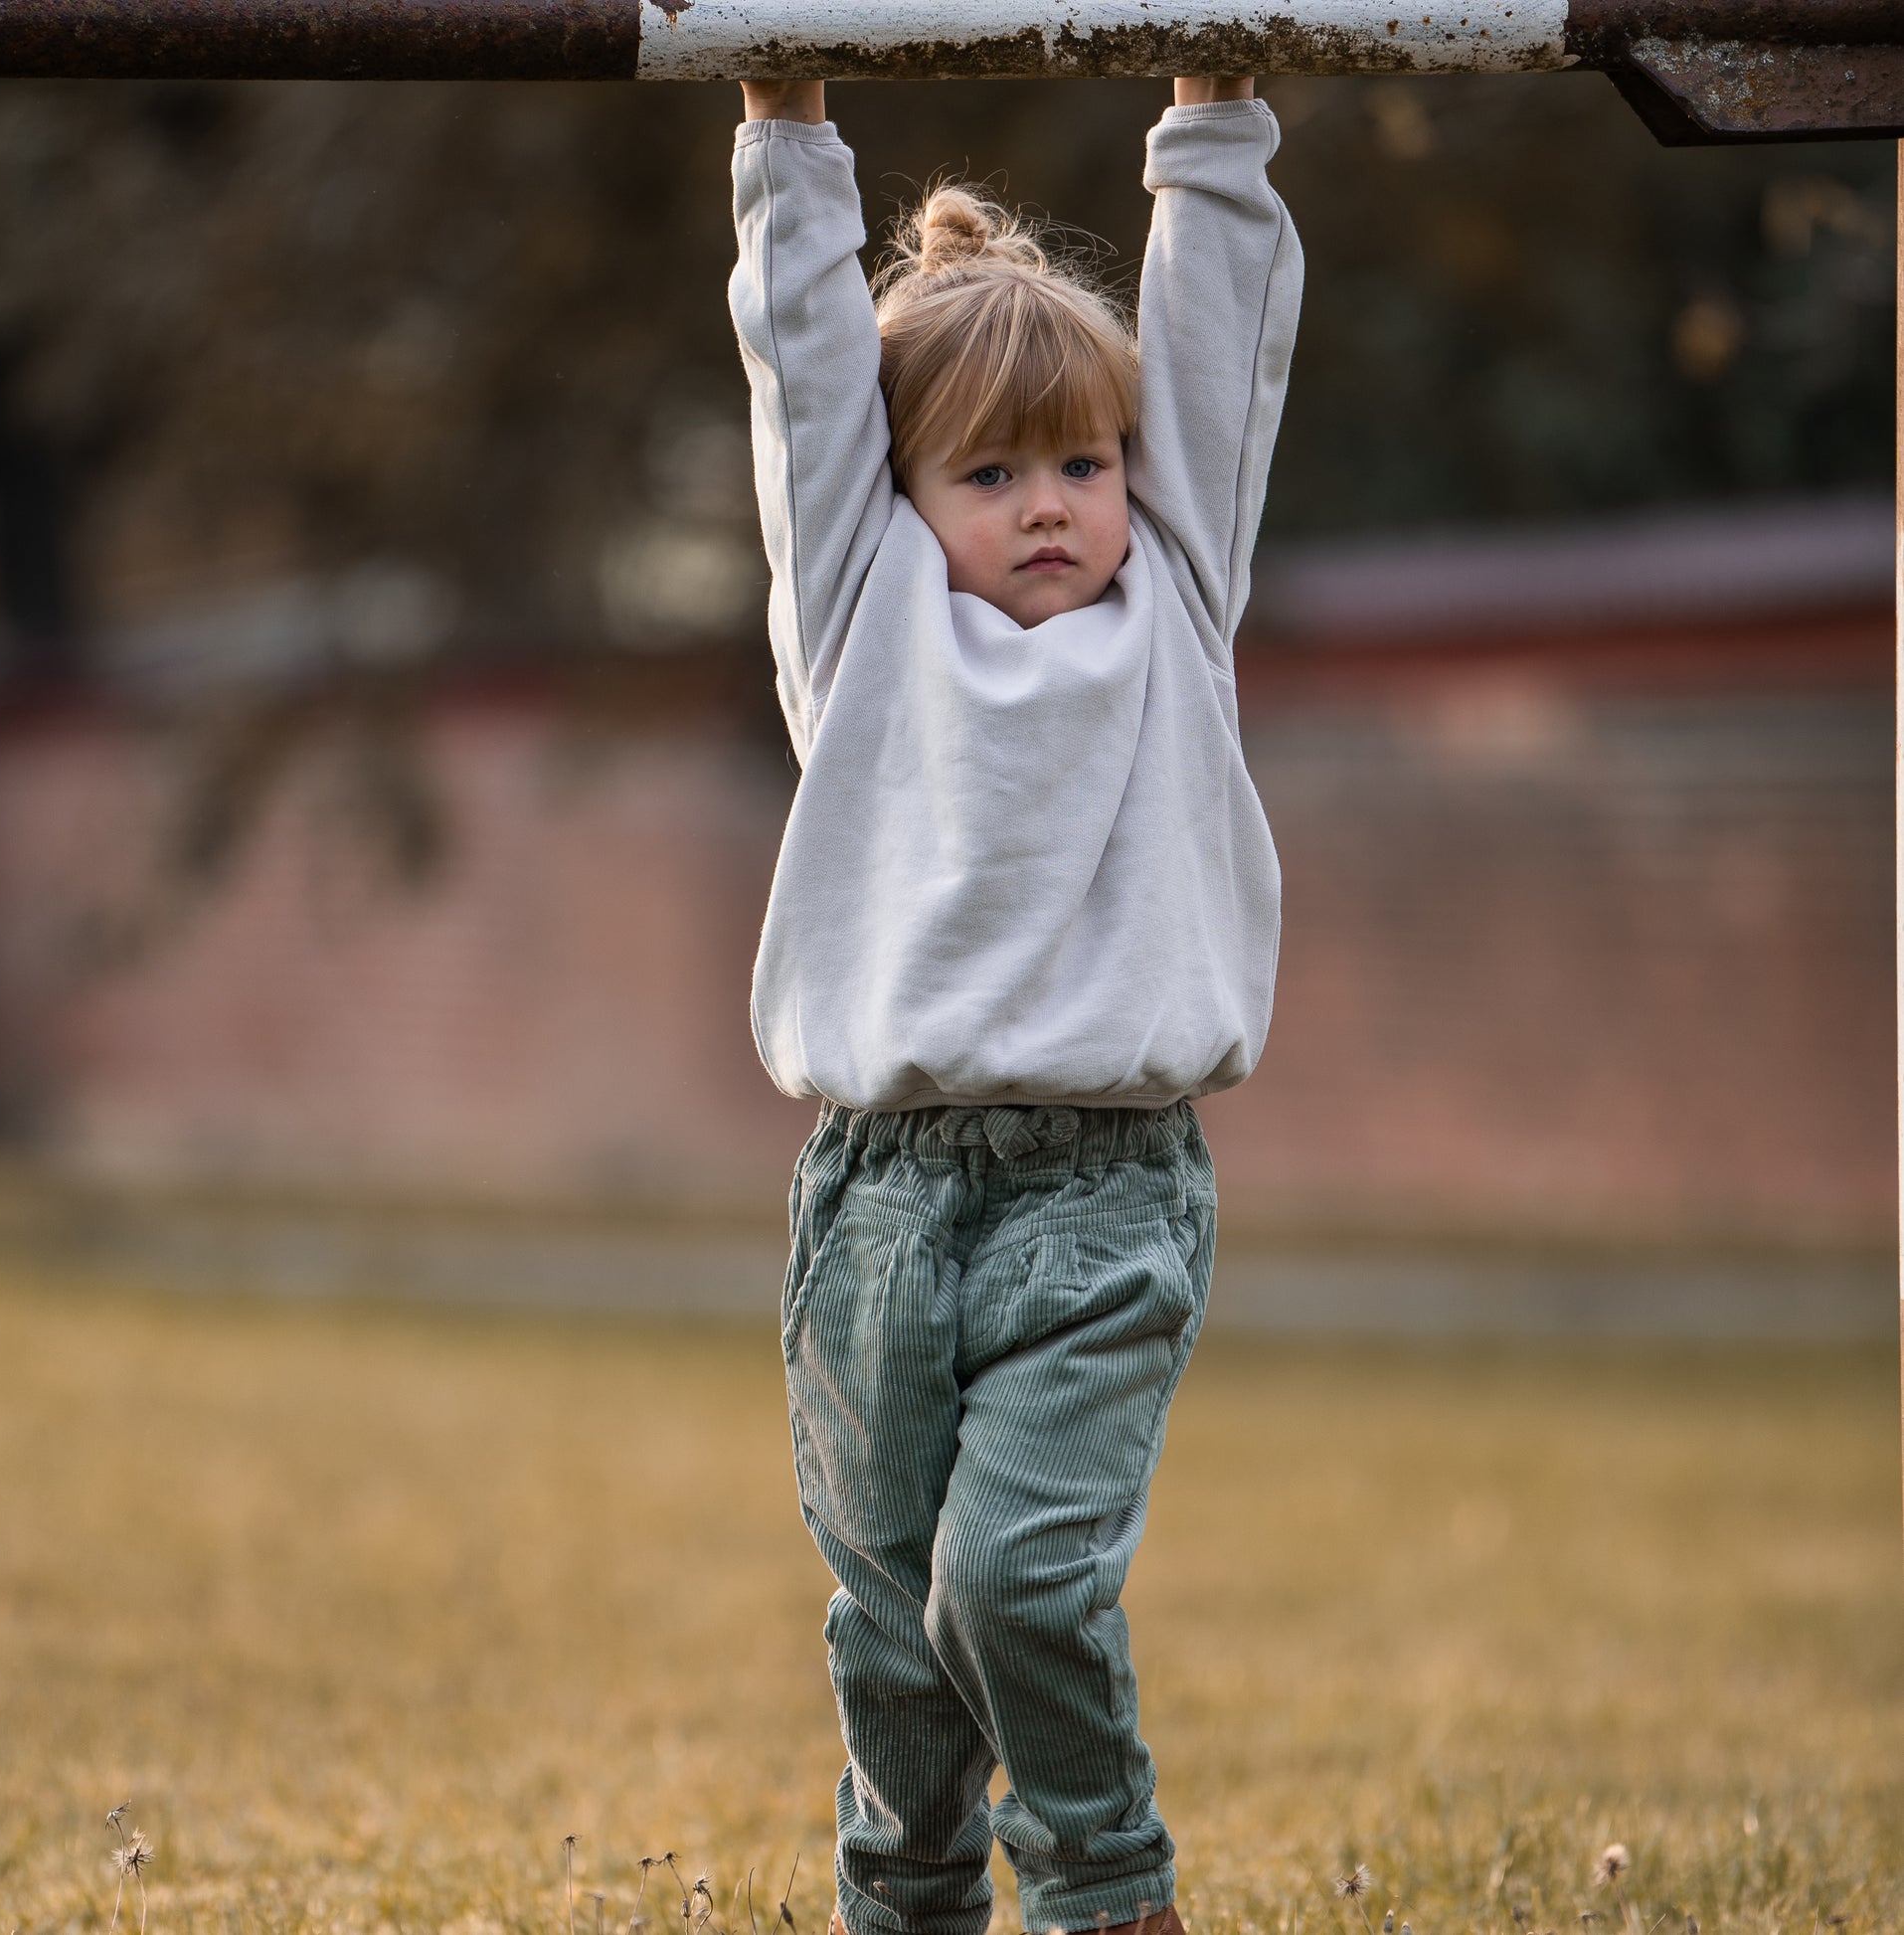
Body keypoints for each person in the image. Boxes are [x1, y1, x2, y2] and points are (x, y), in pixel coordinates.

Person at [727, 69, 1301, 1935]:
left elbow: (1216, 357)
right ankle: (904, 1901)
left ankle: (1106, 1893)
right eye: (988, 474)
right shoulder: (861, 618)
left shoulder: (1178, 603)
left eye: (1080, 464)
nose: (1049, 506)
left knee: (1017, 1584)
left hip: (1104, 1199)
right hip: (878, 1207)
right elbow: (807, 378)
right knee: (895, 1639)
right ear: (901, 497)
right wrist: (783, 118)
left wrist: (1214, 110)